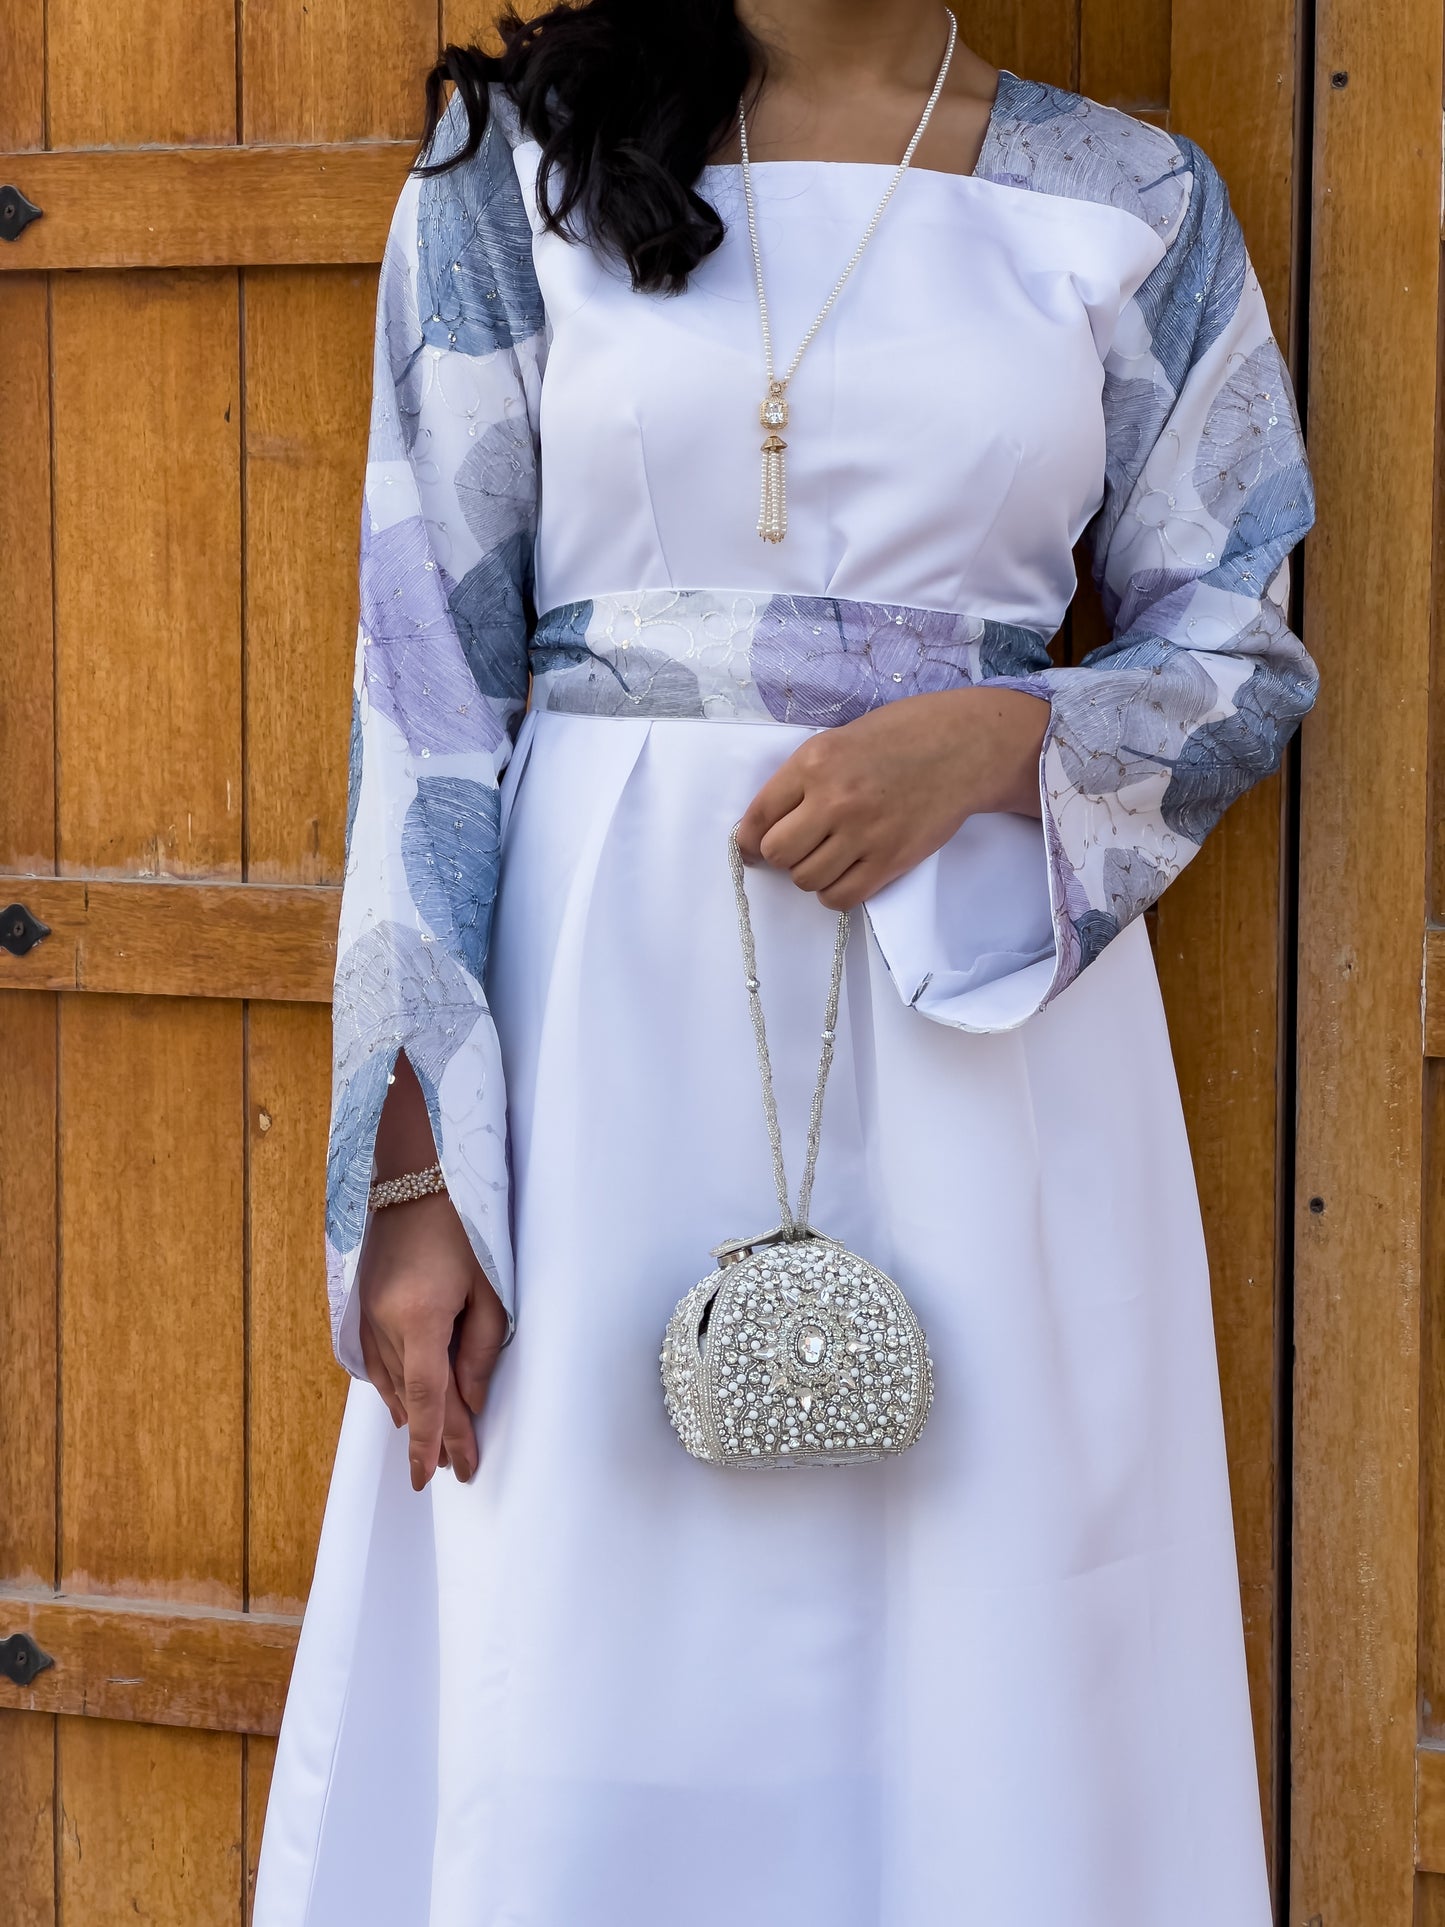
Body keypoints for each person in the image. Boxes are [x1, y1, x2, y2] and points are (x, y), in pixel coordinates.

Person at [253, 1, 1316, 1920]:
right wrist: (410, 1170)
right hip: (597, 1018)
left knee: (983, 1605)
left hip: (979, 1003)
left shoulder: (1130, 198)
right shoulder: (520, 166)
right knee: (583, 1600)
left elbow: (1239, 638)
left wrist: (1000, 742)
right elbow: (420, 685)